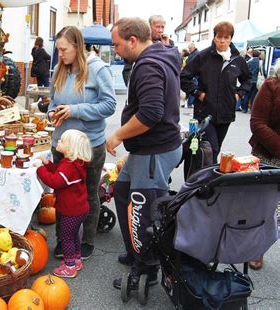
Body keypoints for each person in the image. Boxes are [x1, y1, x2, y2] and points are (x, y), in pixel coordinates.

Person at [108, 17, 182, 289]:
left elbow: (151, 113)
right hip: (149, 149)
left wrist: (118, 134)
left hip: (154, 150)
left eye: (117, 45)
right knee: (122, 191)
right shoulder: (155, 57)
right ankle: (135, 252)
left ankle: (148, 268)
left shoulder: (149, 65)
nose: (115, 50)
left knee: (143, 209)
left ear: (133, 40)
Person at [48, 25, 116, 260]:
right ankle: (63, 239)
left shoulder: (97, 69)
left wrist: (75, 110)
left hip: (89, 146)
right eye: (57, 50)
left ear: (77, 46)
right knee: (61, 193)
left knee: (88, 194)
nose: (60, 55)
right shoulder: (59, 69)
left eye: (64, 50)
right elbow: (51, 102)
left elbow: (109, 105)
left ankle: (87, 240)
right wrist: (52, 114)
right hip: (62, 145)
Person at [180, 21, 251, 163]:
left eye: (226, 38)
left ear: (231, 38)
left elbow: (248, 80)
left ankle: (207, 178)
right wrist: (198, 93)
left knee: (216, 148)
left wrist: (238, 94)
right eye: (219, 37)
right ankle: (206, 180)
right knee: (210, 148)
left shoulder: (237, 59)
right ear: (214, 37)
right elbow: (184, 77)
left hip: (226, 112)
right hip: (205, 112)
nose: (222, 41)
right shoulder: (203, 56)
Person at [36, 129, 92, 278]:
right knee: (74, 235)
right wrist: (48, 164)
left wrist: (40, 169)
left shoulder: (69, 166)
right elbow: (59, 173)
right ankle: (77, 259)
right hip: (80, 208)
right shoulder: (73, 163)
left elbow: (54, 181)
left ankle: (69, 266)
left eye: (62, 140)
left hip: (71, 210)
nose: (58, 141)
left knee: (66, 236)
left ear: (70, 148)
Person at [248, 59, 280, 271]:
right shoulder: (271, 86)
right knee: (264, 208)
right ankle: (256, 248)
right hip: (268, 155)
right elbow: (257, 122)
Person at [122, 14, 174, 86]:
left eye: (162, 27)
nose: (160, 30)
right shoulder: (140, 42)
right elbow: (127, 69)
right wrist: (133, 86)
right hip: (142, 84)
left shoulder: (169, 43)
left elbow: (174, 66)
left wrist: (167, 47)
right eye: (157, 27)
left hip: (162, 85)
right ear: (149, 27)